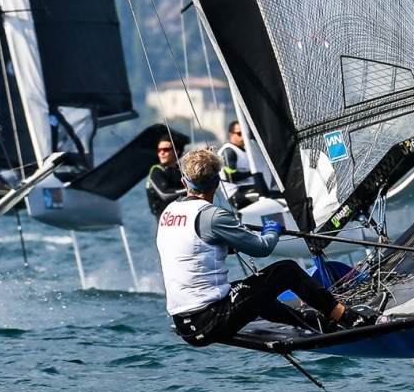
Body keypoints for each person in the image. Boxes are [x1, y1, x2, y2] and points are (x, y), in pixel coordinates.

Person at [158, 147, 373, 346]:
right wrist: (272, 230)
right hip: (208, 321)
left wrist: (230, 239)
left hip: (185, 325)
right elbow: (262, 248)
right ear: (216, 183)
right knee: (286, 270)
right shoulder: (213, 216)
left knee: (252, 290)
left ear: (184, 182)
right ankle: (348, 317)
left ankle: (315, 322)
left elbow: (193, 248)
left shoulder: (169, 212)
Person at [146, 131, 185, 218]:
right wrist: (191, 190)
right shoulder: (157, 171)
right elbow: (165, 194)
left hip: (182, 216)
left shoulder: (182, 170)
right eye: (159, 150)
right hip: (166, 219)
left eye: (166, 150)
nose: (162, 153)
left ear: (177, 151)